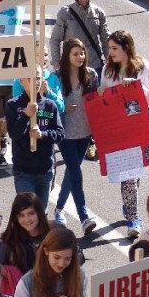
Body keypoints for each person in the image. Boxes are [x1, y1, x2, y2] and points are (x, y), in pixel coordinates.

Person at [101, 30, 149, 237]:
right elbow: (103, 99)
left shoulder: (143, 67)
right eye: (109, 48)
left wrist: (137, 87)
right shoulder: (108, 69)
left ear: (126, 48)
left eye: (114, 48)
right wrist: (102, 94)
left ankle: (129, 203)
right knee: (128, 174)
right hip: (119, 129)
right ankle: (134, 218)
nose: (110, 52)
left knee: (135, 172)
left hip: (140, 127)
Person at [54, 38, 99, 233]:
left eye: (82, 53)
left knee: (71, 173)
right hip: (65, 134)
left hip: (85, 133)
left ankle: (58, 209)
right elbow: (51, 103)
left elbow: (97, 102)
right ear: (67, 56)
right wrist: (64, 108)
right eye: (75, 54)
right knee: (75, 172)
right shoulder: (57, 77)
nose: (80, 57)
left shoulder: (91, 75)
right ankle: (84, 217)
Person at [5, 74, 63, 210]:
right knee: (28, 212)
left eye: (38, 78)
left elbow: (60, 134)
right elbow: (14, 134)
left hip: (45, 170)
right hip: (23, 171)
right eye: (30, 78)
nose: (35, 82)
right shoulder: (13, 105)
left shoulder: (50, 105)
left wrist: (42, 135)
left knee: (41, 215)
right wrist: (26, 115)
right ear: (22, 81)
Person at [12, 228, 88, 297]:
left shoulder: (80, 275)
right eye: (56, 257)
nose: (61, 264)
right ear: (46, 251)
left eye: (67, 259)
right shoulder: (27, 282)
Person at [49, 0, 109, 75]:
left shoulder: (99, 13)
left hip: (94, 67)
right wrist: (57, 64)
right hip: (71, 68)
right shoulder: (65, 13)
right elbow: (55, 39)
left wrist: (109, 60)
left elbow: (105, 39)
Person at [0, 193, 55, 279]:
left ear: (39, 212)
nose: (27, 219)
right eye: (21, 215)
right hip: (20, 285)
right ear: (15, 218)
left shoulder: (53, 234)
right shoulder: (9, 240)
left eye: (31, 213)